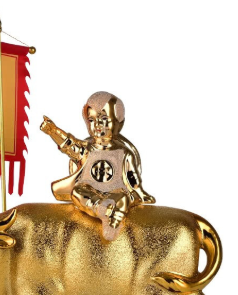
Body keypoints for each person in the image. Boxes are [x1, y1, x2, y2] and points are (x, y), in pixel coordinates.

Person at [41, 91, 155, 241]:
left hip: (116, 191)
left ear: (119, 121)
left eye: (104, 119)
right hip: (89, 190)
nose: (98, 125)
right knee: (78, 192)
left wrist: (140, 192)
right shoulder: (86, 150)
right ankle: (101, 208)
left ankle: (113, 223)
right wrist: (53, 131)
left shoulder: (123, 153)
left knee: (123, 198)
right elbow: (69, 144)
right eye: (92, 120)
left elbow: (132, 177)